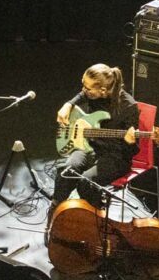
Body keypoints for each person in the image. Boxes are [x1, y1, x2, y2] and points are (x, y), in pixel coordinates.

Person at [49, 63, 139, 213]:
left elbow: (133, 151)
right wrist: (68, 104)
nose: (84, 90)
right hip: (90, 147)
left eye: (88, 88)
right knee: (66, 170)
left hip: (115, 157)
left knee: (87, 183)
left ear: (103, 90)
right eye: (83, 84)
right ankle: (56, 209)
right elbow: (82, 95)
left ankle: (94, 214)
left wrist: (130, 142)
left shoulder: (128, 107)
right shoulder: (93, 93)